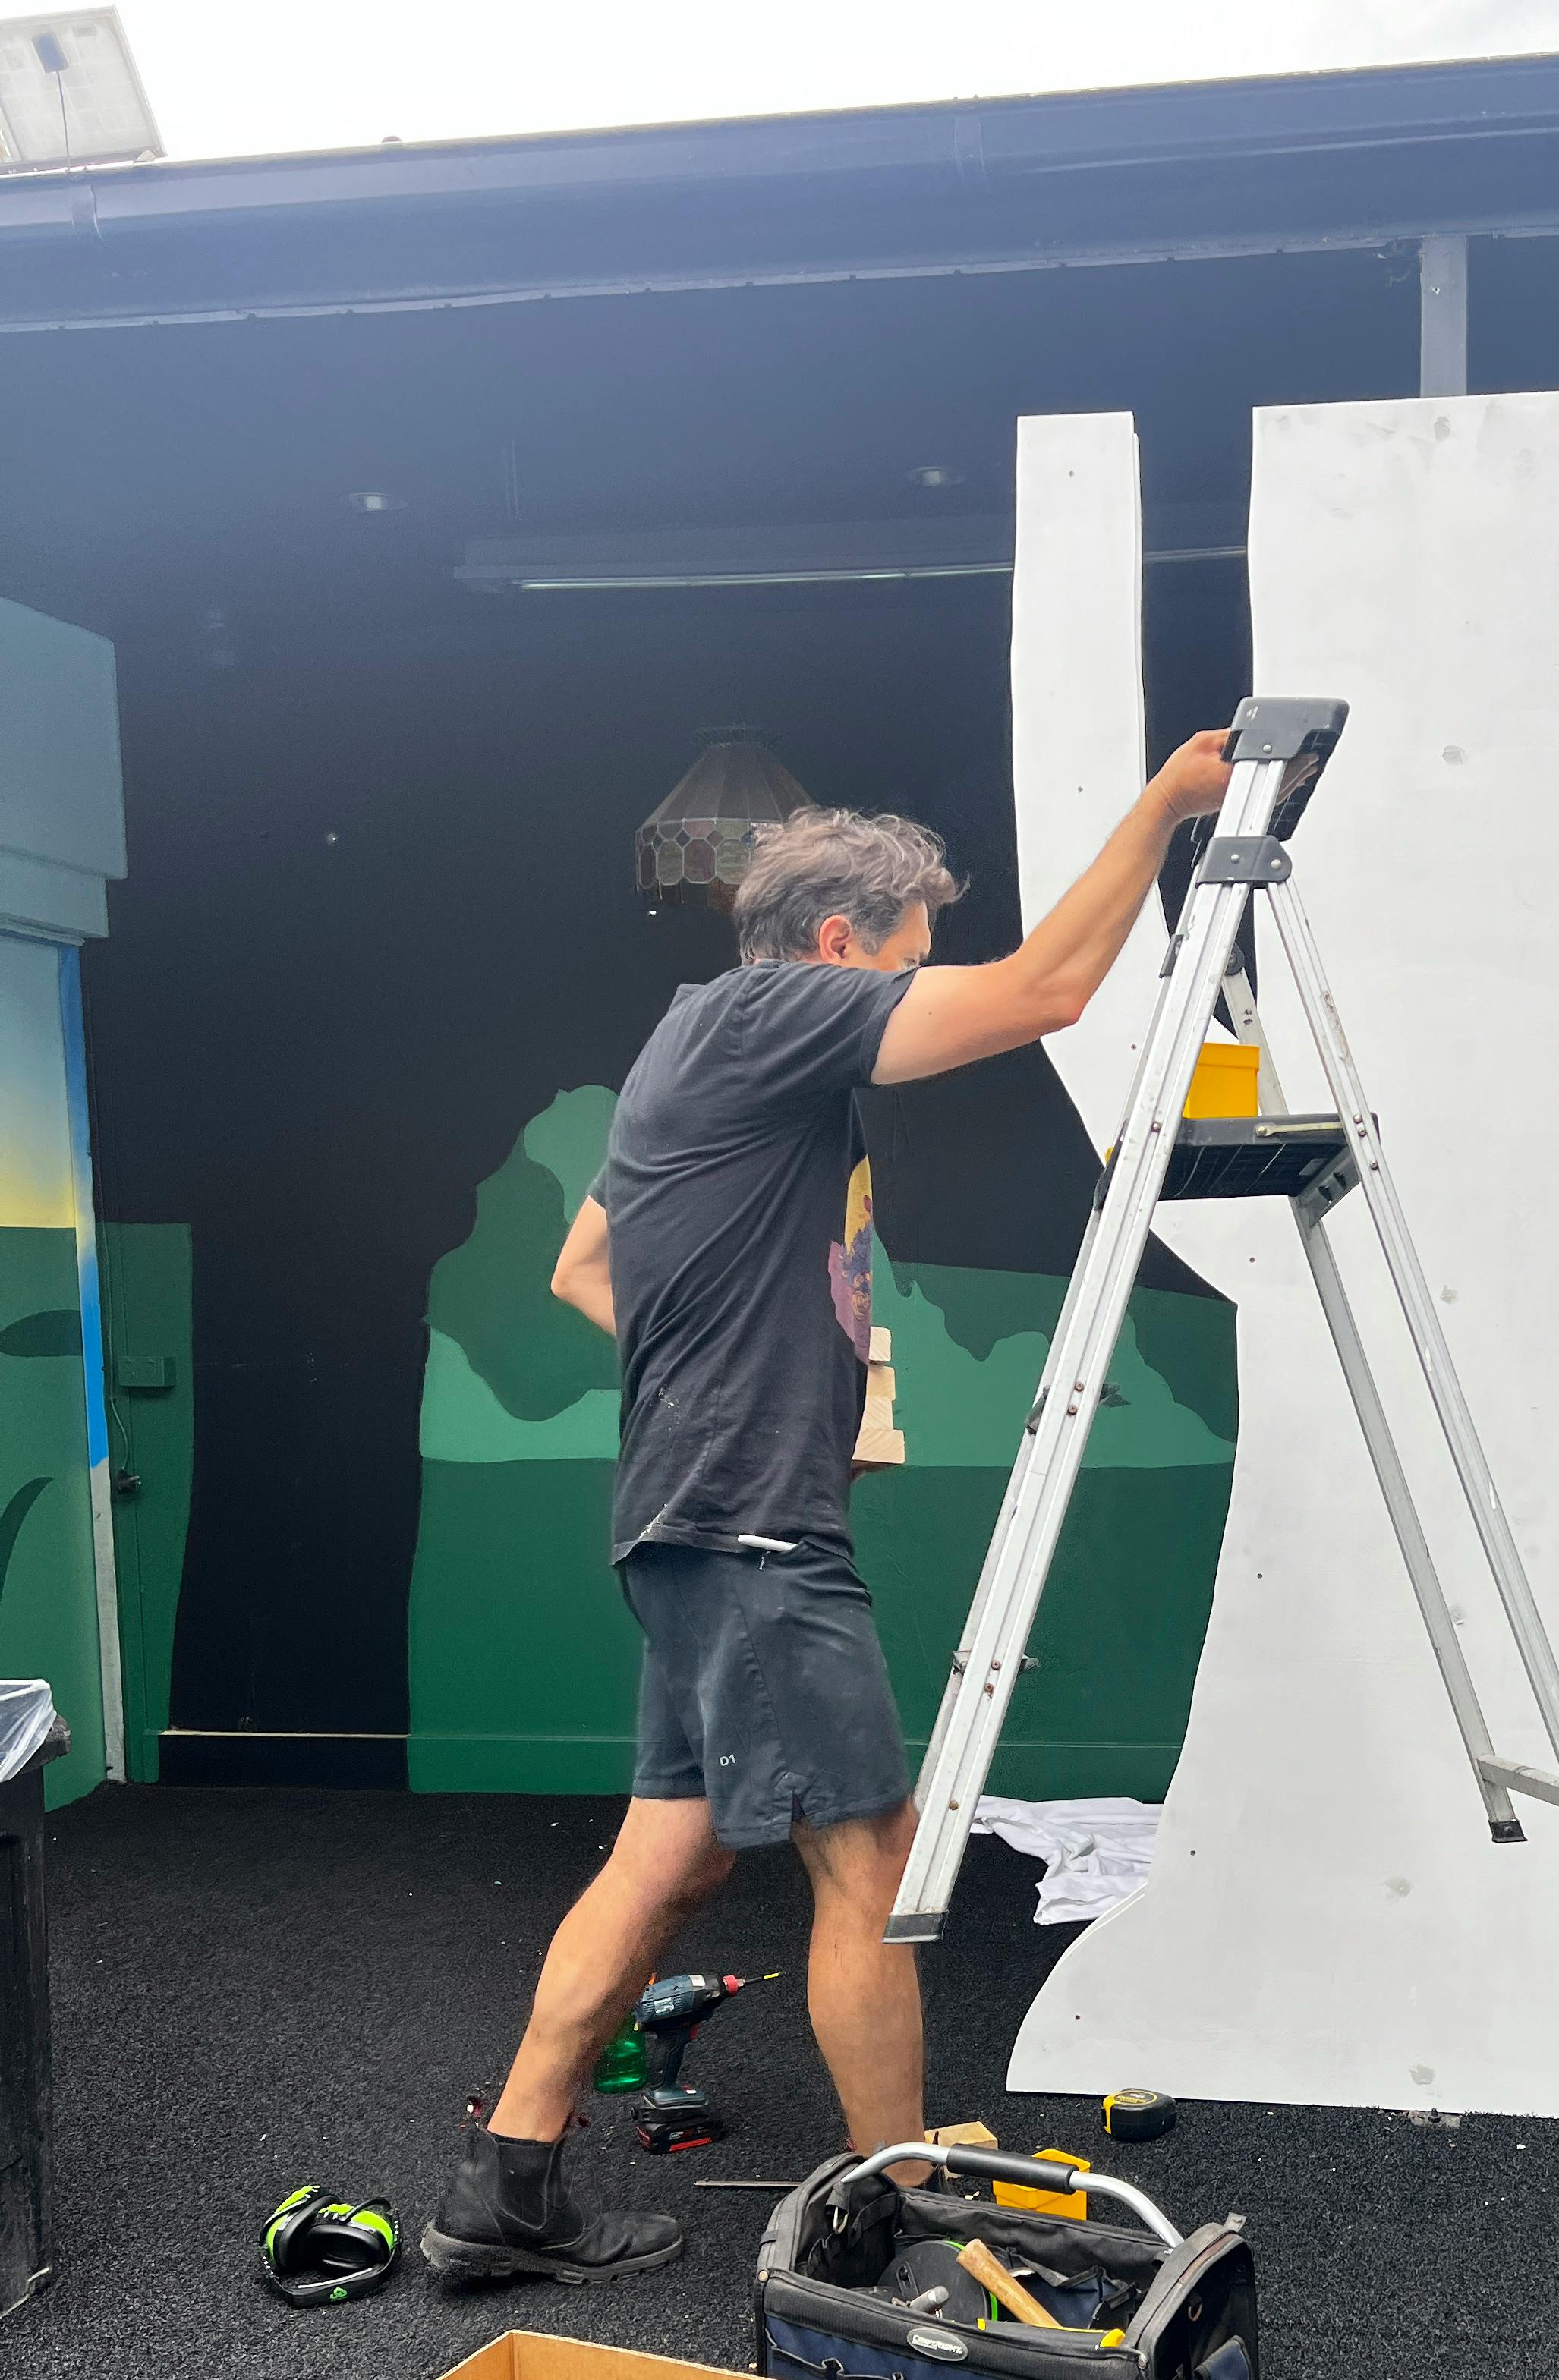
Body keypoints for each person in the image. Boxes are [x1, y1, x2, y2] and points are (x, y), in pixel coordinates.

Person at [422, 730, 1240, 2284]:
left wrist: (772, 1374)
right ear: (837, 945)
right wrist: (1162, 806)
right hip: (747, 1523)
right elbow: (1047, 991)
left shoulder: (701, 1044)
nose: (910, 986)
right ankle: (904, 2204)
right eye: (905, 961)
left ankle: (503, 2188)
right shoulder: (773, 1013)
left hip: (701, 1508)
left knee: (671, 1855)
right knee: (873, 1856)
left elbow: (583, 1266)